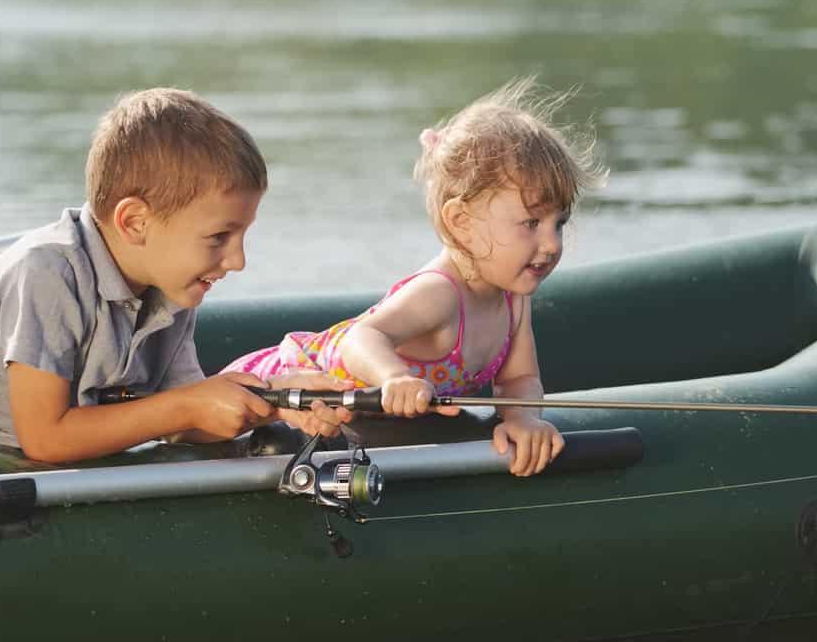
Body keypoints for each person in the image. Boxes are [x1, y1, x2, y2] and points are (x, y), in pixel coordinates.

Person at [0, 88, 349, 461]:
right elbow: (45, 438)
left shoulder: (172, 288)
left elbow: (180, 420)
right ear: (135, 222)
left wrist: (274, 400)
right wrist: (186, 407)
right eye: (219, 238)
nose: (238, 260)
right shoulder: (47, 272)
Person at [223, 80, 605, 477]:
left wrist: (523, 420)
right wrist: (395, 378)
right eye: (531, 223)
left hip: (353, 417)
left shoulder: (513, 300)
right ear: (461, 222)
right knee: (197, 431)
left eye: (559, 223)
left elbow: (520, 378)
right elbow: (363, 338)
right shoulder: (439, 292)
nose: (551, 244)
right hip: (293, 383)